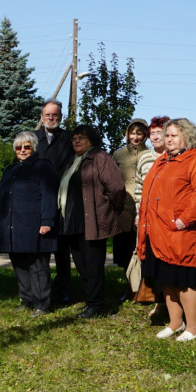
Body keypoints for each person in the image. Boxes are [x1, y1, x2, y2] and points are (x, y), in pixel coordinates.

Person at [137, 118, 196, 341]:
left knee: (186, 279)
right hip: (158, 231)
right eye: (167, 135)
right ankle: (175, 323)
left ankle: (194, 326)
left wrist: (184, 220)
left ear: (187, 137)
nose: (168, 139)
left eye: (173, 135)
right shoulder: (163, 160)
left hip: (182, 233)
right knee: (167, 278)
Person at [58, 125, 126, 318]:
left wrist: (110, 210)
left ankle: (97, 305)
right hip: (73, 222)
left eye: (81, 137)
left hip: (93, 221)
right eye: (74, 138)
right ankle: (91, 301)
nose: (77, 141)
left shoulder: (100, 158)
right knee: (81, 265)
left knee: (93, 265)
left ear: (92, 140)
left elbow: (117, 189)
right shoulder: (74, 161)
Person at [0, 132, 59, 317]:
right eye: (18, 147)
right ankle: (27, 299)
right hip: (13, 226)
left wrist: (47, 221)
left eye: (27, 146)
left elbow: (49, 195)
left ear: (33, 147)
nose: (22, 150)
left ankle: (42, 304)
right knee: (19, 264)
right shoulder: (11, 169)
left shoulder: (42, 167)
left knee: (37, 265)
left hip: (34, 225)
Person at [34, 99, 75, 305]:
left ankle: (62, 289)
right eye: (47, 115)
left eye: (55, 115)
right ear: (41, 117)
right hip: (38, 201)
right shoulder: (32, 138)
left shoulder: (68, 138)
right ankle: (39, 290)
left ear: (61, 117)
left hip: (61, 199)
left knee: (61, 249)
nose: (51, 118)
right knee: (38, 248)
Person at [112, 118, 156, 300]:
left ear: (145, 135)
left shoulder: (152, 154)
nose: (135, 137)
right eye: (132, 133)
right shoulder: (118, 155)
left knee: (143, 248)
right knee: (124, 249)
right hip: (123, 207)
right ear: (127, 134)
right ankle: (129, 289)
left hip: (144, 206)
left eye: (139, 133)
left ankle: (145, 288)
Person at [138, 116, 170, 316]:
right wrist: (137, 214)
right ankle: (159, 301)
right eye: (152, 134)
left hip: (166, 219)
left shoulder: (176, 157)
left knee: (167, 259)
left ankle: (170, 301)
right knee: (151, 260)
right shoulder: (145, 158)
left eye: (159, 132)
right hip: (146, 218)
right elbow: (138, 188)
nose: (155, 137)